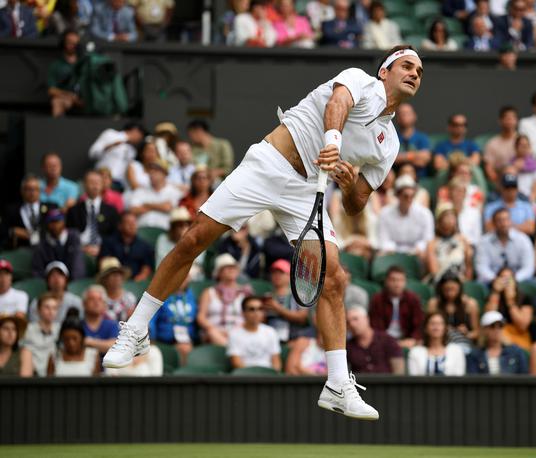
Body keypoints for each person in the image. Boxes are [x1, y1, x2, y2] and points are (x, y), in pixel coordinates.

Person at [105, 46, 424, 420]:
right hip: (270, 162)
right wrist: (333, 141)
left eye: (420, 70)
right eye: (407, 65)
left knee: (333, 277)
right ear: (385, 71)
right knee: (194, 238)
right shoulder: (361, 81)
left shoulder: (390, 143)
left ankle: (338, 384)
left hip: (307, 189)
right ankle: (137, 328)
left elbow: (357, 204)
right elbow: (337, 103)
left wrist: (350, 180)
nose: (415, 73)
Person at [197, 254, 253, 346]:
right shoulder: (209, 292)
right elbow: (201, 317)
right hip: (215, 333)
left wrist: (235, 331)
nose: (231, 269)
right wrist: (214, 329)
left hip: (240, 332)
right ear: (218, 273)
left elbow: (251, 316)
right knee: (211, 332)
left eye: (233, 267)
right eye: (226, 267)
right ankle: (233, 352)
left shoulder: (245, 292)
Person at [66, 170, 120, 258]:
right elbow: (69, 235)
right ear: (84, 185)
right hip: (79, 250)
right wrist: (82, 248)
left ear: (102, 185)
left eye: (98, 183)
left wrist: (101, 248)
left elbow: (114, 236)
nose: (95, 186)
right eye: (91, 182)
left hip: (104, 251)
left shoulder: (111, 211)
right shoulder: (74, 210)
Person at [377, 175, 434, 257]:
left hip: (417, 255)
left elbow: (427, 239)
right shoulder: (385, 213)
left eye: (412, 196)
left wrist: (418, 248)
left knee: (428, 253)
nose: (409, 200)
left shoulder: (425, 214)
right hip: (392, 254)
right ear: (397, 195)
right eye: (405, 196)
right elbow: (383, 240)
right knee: (380, 255)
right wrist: (394, 251)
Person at [368, 266, 424, 348]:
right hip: (384, 341)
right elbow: (376, 326)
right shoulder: (378, 299)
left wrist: (413, 339)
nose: (397, 284)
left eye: (401, 280)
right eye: (393, 280)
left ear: (405, 282)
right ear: (386, 281)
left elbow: (419, 324)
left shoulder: (413, 299)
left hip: (407, 340)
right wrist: (390, 342)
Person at [475, 208, 535, 283]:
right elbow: (482, 267)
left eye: (506, 219)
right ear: (493, 223)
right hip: (492, 281)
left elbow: (528, 268)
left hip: (518, 280)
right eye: (500, 220)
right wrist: (496, 280)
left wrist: (513, 280)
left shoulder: (523, 240)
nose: (504, 224)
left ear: (511, 221)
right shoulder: (484, 242)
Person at [150, 273, 197, 366]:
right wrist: (152, 338)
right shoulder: (161, 296)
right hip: (164, 340)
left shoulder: (191, 297)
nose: (182, 278)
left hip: (188, 340)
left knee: (186, 349)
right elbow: (151, 320)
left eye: (185, 276)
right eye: (178, 275)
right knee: (184, 349)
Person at [262, 259, 313, 343]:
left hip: (294, 339)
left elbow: (302, 318)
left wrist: (278, 309)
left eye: (281, 273)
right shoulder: (267, 296)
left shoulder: (299, 295)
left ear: (289, 275)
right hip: (270, 340)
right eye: (274, 273)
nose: (277, 276)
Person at [484, 267, 533, 350]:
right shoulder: (493, 297)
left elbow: (522, 326)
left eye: (509, 279)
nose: (506, 282)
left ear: (514, 281)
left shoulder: (524, 298)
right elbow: (489, 319)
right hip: (498, 335)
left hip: (519, 336)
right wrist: (496, 293)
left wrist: (510, 301)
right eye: (502, 278)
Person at [227, 296, 281, 371]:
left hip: (268, 377)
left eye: (260, 309)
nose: (256, 313)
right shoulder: (234, 334)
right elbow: (236, 363)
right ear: (243, 313)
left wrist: (272, 376)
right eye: (251, 309)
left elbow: (276, 362)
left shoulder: (271, 332)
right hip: (246, 377)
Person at [346, 306, 404, 374]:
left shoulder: (388, 340)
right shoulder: (348, 346)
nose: (352, 324)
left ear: (366, 318)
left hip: (386, 383)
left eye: (355, 319)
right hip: (360, 384)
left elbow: (399, 372)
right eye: (348, 322)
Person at [31, 208, 86, 280]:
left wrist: (72, 286)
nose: (55, 225)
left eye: (58, 221)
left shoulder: (73, 237)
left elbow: (78, 267)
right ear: (47, 224)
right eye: (52, 222)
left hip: (72, 284)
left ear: (64, 222)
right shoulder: (41, 243)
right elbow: (37, 271)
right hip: (50, 285)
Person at [99, 211, 155, 281]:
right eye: (128, 223)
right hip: (113, 282)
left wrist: (141, 277)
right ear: (120, 226)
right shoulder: (108, 243)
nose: (132, 225)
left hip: (136, 283)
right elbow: (104, 263)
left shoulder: (144, 246)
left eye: (134, 222)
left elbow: (146, 267)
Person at [426, 203, 473, 283]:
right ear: (439, 220)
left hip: (461, 282)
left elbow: (468, 266)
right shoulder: (432, 243)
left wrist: (466, 282)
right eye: (447, 216)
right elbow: (434, 271)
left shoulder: (463, 240)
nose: (450, 219)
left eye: (453, 216)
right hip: (440, 282)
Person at [88, 123, 145, 187]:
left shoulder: (132, 150)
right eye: (141, 136)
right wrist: (111, 146)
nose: (140, 139)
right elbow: (92, 154)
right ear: (135, 130)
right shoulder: (110, 134)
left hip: (119, 184)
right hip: (101, 179)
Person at [155, 207, 205, 280]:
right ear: (173, 228)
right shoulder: (163, 239)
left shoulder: (196, 239)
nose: (184, 228)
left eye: (186, 224)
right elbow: (162, 263)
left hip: (191, 275)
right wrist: (181, 242)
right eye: (180, 225)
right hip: (168, 276)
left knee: (194, 270)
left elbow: (198, 262)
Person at [48, 310, 100, 376]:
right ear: (62, 338)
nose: (71, 343)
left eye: (75, 338)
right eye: (66, 339)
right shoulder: (54, 356)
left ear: (82, 338)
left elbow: (96, 382)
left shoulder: (93, 355)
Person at [1, 175, 46, 249]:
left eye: (35, 189)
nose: (32, 193)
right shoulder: (11, 210)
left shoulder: (50, 208)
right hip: (21, 251)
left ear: (40, 191)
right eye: (29, 189)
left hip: (45, 251)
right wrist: (12, 231)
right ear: (22, 190)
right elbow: (3, 231)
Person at [22, 293, 60, 377]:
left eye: (54, 308)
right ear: (38, 310)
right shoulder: (27, 330)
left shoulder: (61, 330)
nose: (51, 312)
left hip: (55, 376)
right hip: (32, 375)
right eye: (47, 307)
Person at [187, 119, 235, 184]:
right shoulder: (193, 149)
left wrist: (215, 173)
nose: (191, 138)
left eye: (191, 134)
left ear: (199, 131)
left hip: (220, 183)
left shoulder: (222, 145)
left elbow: (228, 167)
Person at [47, 30, 81, 117]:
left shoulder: (86, 63)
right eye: (69, 42)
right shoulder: (56, 65)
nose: (73, 46)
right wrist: (69, 95)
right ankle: (57, 129)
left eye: (75, 43)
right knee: (57, 102)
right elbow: (51, 90)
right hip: (67, 98)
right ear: (63, 44)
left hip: (85, 98)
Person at [394, 104, 432, 177]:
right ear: (397, 117)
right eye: (401, 114)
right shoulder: (392, 138)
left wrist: (403, 157)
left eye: (407, 113)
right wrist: (415, 156)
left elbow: (425, 159)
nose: (404, 116)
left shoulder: (422, 138)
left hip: (420, 179)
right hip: (397, 179)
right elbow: (391, 160)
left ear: (414, 116)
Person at [81, 285, 119, 356]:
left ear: (104, 305)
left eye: (100, 300)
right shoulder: (77, 325)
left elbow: (114, 347)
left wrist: (89, 342)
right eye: (92, 299)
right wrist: (103, 345)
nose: (96, 302)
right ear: (84, 304)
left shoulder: (112, 324)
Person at [484, 106, 519, 183]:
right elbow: (489, 168)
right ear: (500, 121)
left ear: (516, 121)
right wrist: (498, 184)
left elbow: (530, 160)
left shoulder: (522, 140)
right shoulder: (492, 143)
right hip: (501, 181)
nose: (510, 121)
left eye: (512, 118)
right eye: (507, 118)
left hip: (522, 179)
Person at [97, 257, 136, 322]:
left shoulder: (129, 297)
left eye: (119, 273)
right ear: (104, 279)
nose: (117, 277)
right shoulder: (98, 297)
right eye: (112, 274)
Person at [511, 135, 536, 204]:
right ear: (515, 147)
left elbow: (534, 195)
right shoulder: (510, 166)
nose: (524, 147)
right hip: (511, 201)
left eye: (526, 145)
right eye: (521, 145)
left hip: (528, 202)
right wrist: (514, 169)